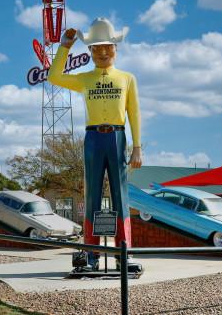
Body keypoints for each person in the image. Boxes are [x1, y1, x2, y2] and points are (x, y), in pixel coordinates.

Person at [47, 17, 142, 272]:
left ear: (116, 48)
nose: (102, 53)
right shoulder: (84, 79)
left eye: (108, 47)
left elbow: (134, 112)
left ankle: (124, 254)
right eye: (96, 48)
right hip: (92, 138)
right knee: (92, 197)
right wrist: (64, 47)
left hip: (118, 136)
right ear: (89, 51)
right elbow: (53, 76)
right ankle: (91, 256)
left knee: (121, 196)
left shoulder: (127, 78)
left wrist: (137, 146)